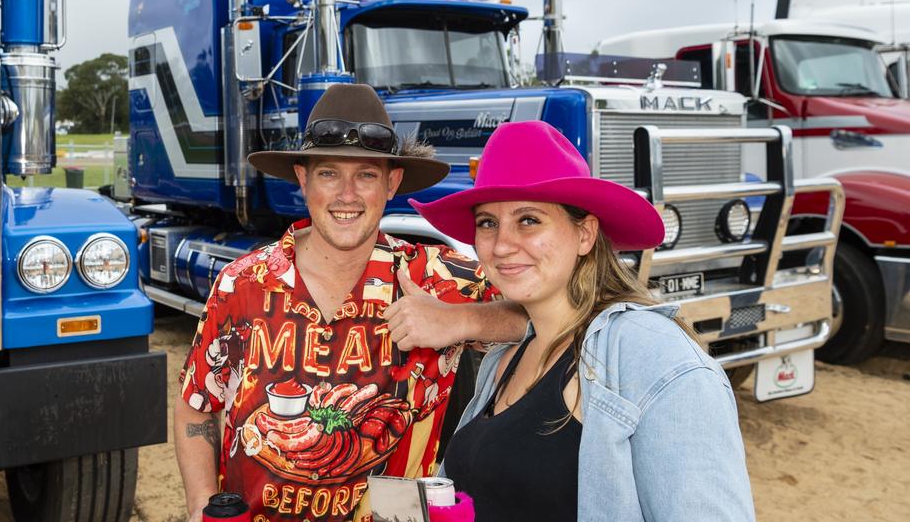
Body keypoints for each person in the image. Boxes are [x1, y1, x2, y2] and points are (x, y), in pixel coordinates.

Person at [174, 83, 527, 522]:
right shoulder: (243, 284)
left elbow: (547, 319)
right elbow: (196, 402)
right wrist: (199, 505)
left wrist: (462, 321)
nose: (347, 194)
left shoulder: (436, 278)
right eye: (328, 173)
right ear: (303, 179)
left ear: (392, 182)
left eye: (366, 174)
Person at [411, 120, 755, 521]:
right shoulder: (506, 358)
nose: (502, 244)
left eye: (528, 220)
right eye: (488, 222)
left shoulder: (653, 358)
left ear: (586, 234)